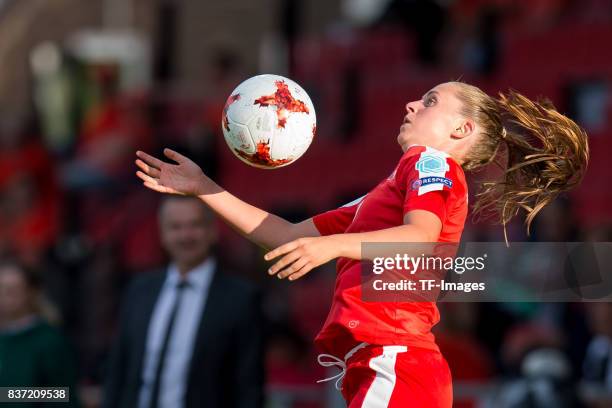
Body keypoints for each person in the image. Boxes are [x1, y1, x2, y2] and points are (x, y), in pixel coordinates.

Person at [134, 81, 588, 407]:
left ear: (461, 132)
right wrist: (205, 188)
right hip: (383, 362)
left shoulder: (435, 164)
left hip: (397, 358)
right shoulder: (387, 188)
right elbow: (286, 235)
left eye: (430, 102)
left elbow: (420, 238)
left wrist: (333, 248)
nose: (411, 103)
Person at [102, 196, 264, 408]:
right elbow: (118, 369)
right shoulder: (139, 290)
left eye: (194, 225)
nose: (185, 236)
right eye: (175, 227)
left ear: (212, 231)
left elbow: (249, 385)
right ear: (162, 234)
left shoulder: (241, 298)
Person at [0, 259, 81, 408]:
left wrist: (7, 394)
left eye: (11, 291)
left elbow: (62, 394)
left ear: (31, 292)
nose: (4, 298)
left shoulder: (48, 341)